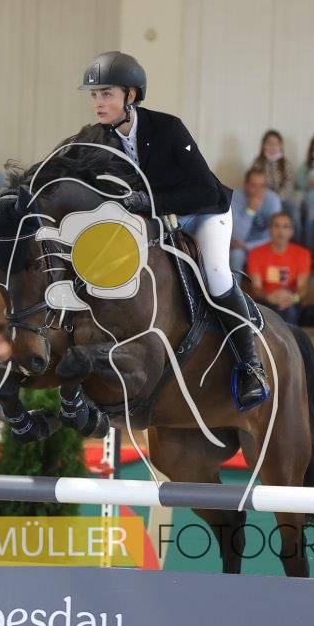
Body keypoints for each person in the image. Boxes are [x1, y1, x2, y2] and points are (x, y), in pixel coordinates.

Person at [70, 50, 268, 409]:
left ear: (131, 96)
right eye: (94, 95)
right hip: (156, 219)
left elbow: (205, 191)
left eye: (106, 94)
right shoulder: (99, 139)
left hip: (204, 213)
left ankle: (251, 366)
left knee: (217, 276)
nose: (98, 102)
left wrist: (149, 202)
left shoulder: (168, 129)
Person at [246, 211, 310, 325]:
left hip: (291, 301)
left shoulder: (302, 254)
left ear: (291, 231)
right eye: (276, 226)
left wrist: (293, 298)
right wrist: (268, 297)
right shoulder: (255, 253)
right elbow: (256, 288)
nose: (281, 231)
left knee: (289, 310)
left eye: (285, 226)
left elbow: (302, 287)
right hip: (264, 301)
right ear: (269, 230)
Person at [229, 168, 283, 272]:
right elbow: (237, 236)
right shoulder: (235, 198)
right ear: (245, 185)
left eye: (262, 186)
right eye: (254, 186)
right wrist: (251, 210)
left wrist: (247, 246)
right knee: (236, 254)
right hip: (239, 244)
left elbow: (276, 235)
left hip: (264, 244)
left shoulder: (273, 200)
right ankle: (235, 284)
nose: (258, 190)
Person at [249, 129, 295, 218]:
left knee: (294, 209)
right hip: (263, 199)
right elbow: (254, 183)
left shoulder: (285, 164)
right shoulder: (258, 163)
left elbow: (289, 185)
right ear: (263, 146)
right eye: (269, 143)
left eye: (276, 143)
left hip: (282, 199)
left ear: (280, 146)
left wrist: (278, 198)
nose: (273, 146)